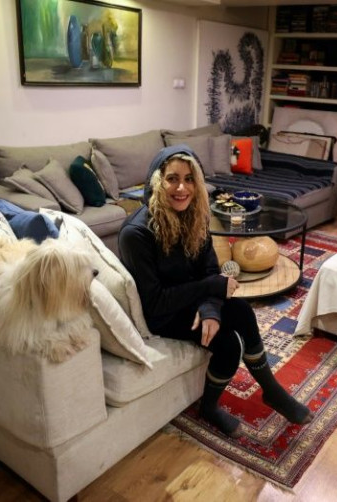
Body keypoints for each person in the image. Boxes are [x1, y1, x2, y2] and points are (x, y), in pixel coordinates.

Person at [119, 145, 313, 438]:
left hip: (191, 300)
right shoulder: (137, 233)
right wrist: (212, 289)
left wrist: (210, 308)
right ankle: (209, 408)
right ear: (157, 182)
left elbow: (210, 270)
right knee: (228, 345)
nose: (181, 187)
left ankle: (271, 391)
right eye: (172, 179)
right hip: (160, 314)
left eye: (189, 178)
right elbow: (156, 301)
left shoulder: (195, 215)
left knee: (243, 312)